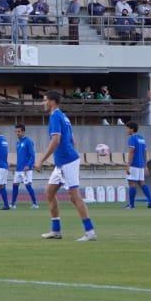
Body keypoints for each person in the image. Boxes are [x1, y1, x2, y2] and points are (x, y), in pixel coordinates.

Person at [38, 90, 96, 241]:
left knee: (74, 196)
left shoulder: (55, 116)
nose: (42, 103)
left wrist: (41, 160)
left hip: (67, 162)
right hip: (62, 162)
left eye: (44, 100)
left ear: (51, 101)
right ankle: (56, 231)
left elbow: (56, 140)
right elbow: (72, 139)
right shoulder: (63, 116)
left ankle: (90, 232)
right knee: (49, 192)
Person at [124, 120, 151, 208]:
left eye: (127, 128)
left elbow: (131, 152)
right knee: (142, 183)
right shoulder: (141, 138)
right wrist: (145, 166)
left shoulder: (132, 138)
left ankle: (131, 205)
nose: (126, 130)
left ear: (132, 129)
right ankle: (150, 201)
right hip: (141, 165)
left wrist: (128, 165)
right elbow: (144, 153)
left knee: (131, 183)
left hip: (134, 165)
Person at [12, 123, 39, 208]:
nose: (17, 133)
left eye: (19, 131)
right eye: (16, 131)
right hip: (18, 169)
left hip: (26, 169)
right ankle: (12, 204)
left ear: (23, 131)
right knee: (15, 185)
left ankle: (35, 204)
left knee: (28, 186)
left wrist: (29, 165)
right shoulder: (17, 143)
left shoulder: (28, 141)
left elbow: (32, 155)